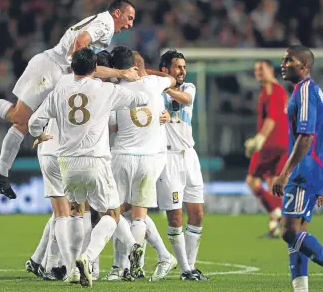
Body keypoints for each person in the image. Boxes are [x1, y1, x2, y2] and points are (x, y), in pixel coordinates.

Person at [0, 0, 137, 200]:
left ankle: (1, 172)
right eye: (129, 18)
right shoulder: (105, 25)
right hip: (50, 68)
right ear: (117, 13)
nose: (130, 25)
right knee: (19, 119)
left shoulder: (102, 22)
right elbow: (81, 41)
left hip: (54, 69)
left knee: (23, 123)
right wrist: (81, 68)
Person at [28, 48, 147, 288]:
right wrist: (133, 78)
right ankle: (89, 257)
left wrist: (39, 136)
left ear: (72, 68)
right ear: (95, 69)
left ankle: (72, 269)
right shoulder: (105, 90)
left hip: (67, 163)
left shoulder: (59, 93)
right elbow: (140, 99)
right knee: (112, 214)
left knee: (74, 211)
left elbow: (33, 123)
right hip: (96, 161)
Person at [25, 50, 114, 282]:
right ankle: (76, 265)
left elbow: (34, 121)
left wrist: (38, 135)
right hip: (75, 154)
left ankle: (55, 265)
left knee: (64, 214)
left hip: (51, 152)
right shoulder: (96, 88)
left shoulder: (60, 83)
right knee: (80, 212)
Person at [272, 45, 323, 292]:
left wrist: (285, 172)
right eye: (283, 59)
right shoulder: (314, 92)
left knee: (289, 233)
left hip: (303, 170)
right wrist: (319, 179)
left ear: (304, 66)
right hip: (313, 169)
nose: (283, 64)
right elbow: (322, 134)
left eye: (288, 60)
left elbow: (306, 137)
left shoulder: (304, 92)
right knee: (298, 232)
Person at [107, 47, 177, 281]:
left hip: (122, 156)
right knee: (138, 214)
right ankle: (138, 265)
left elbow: (112, 125)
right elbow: (171, 78)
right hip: (149, 158)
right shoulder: (155, 84)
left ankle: (121, 266)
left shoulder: (117, 91)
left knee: (114, 213)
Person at [155, 50, 208, 281]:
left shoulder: (188, 88)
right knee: (175, 217)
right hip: (168, 158)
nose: (183, 71)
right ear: (166, 69)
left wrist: (163, 85)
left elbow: (186, 100)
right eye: (178, 67)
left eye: (184, 67)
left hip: (190, 156)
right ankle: (186, 269)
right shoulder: (152, 92)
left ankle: (191, 265)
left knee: (197, 214)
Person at [244, 59, 288, 238]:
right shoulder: (279, 91)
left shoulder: (271, 89)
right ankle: (275, 227)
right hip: (283, 143)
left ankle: (278, 215)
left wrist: (259, 139)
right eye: (256, 69)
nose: (258, 72)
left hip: (271, 144)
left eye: (261, 69)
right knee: (273, 185)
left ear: (271, 70)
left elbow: (272, 117)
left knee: (252, 181)